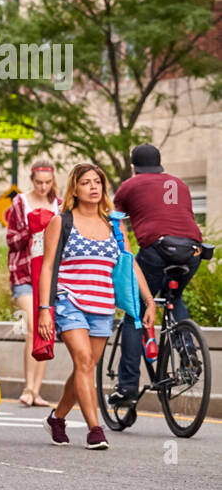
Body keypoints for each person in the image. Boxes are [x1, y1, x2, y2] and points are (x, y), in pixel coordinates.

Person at [37, 163, 154, 450]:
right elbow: (48, 266)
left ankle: (57, 417)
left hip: (102, 305)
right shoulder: (61, 221)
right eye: (86, 182)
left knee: (86, 366)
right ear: (74, 189)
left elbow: (129, 263)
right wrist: (44, 309)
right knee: (83, 360)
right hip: (69, 300)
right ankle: (95, 429)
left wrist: (148, 300)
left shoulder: (113, 224)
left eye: (97, 182)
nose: (93, 187)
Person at [108, 144, 206, 408]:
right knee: (174, 298)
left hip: (157, 250)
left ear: (133, 166)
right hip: (193, 251)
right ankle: (188, 355)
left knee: (134, 312)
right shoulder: (180, 184)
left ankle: (127, 387)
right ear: (160, 164)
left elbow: (116, 225)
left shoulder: (129, 186)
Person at [5, 161, 60, 408]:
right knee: (31, 325)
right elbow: (11, 239)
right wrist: (33, 228)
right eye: (39, 182)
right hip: (24, 273)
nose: (43, 187)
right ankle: (27, 387)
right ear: (32, 179)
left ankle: (37, 391)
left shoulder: (59, 204)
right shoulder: (20, 202)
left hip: (49, 276)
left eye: (47, 183)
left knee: (45, 330)